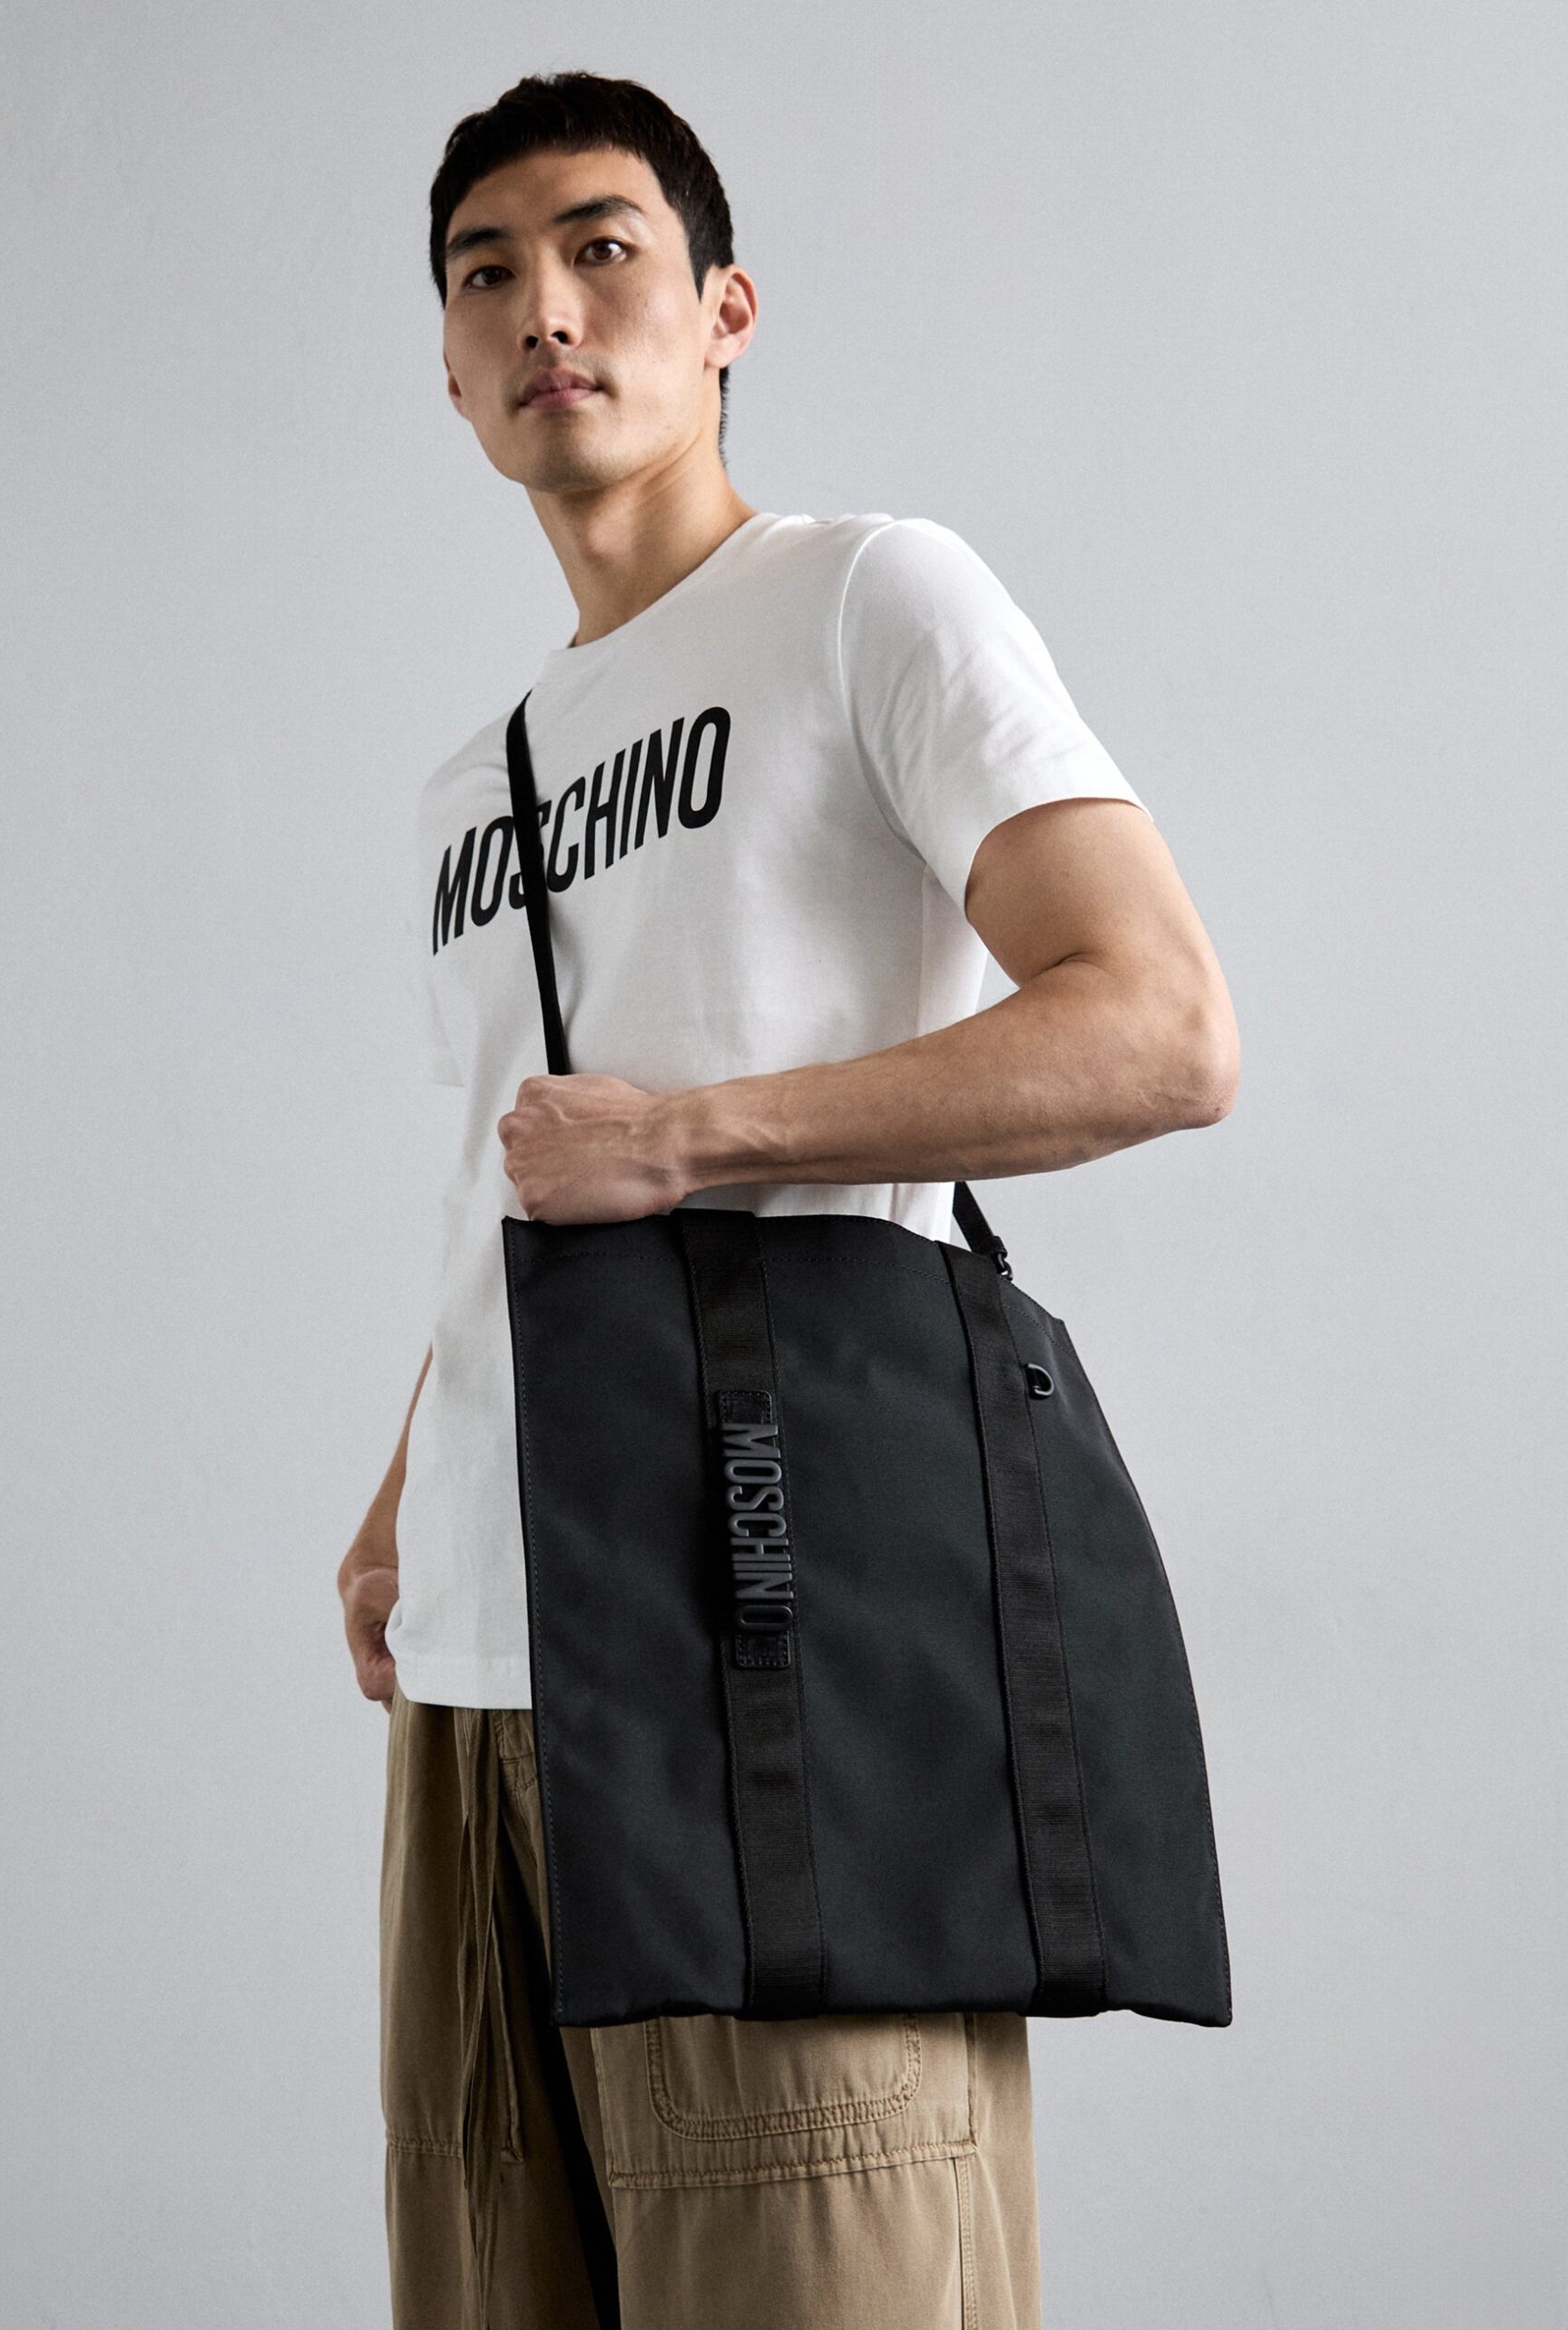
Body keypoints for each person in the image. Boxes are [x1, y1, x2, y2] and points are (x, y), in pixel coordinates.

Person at [337, 66, 1239, 2330]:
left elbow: (1156, 1025)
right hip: (477, 1684)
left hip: (764, 1626)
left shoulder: (863, 600)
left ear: (723, 307)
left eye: (601, 247)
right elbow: (509, 1176)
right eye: (485, 273)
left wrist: (691, 1139)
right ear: (447, 365)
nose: (545, 307)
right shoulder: (474, 784)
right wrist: (402, 1487)